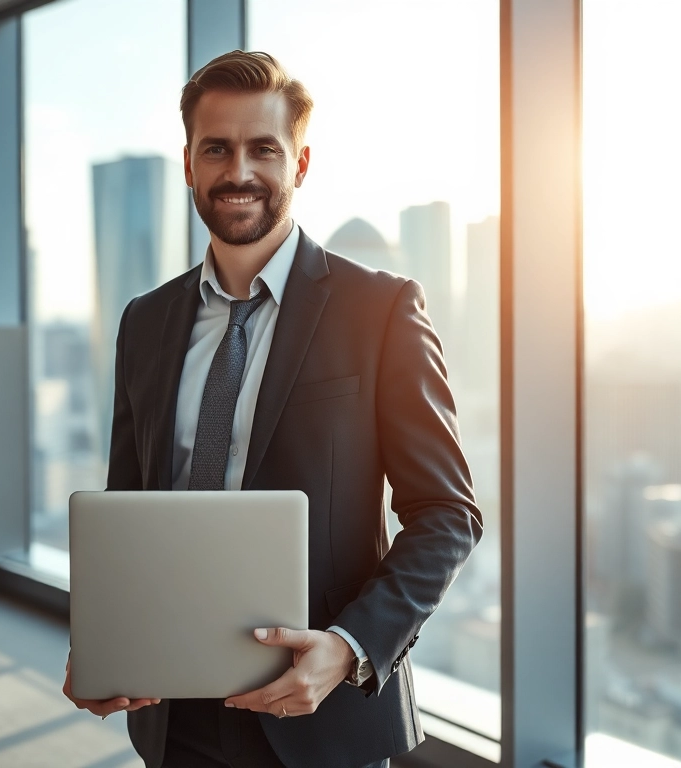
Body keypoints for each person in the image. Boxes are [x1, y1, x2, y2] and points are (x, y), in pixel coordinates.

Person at [62, 50, 482, 768]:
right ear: (189, 164)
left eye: (263, 149)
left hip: (322, 713)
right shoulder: (145, 321)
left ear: (301, 164)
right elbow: (128, 509)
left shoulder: (379, 309)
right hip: (173, 714)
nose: (239, 172)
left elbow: (447, 514)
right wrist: (104, 642)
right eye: (216, 149)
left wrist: (348, 648)